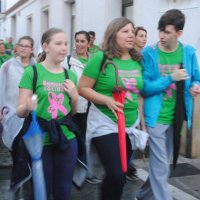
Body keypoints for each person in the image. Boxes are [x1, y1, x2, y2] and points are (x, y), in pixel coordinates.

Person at [135, 9, 200, 200]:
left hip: (177, 115)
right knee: (162, 166)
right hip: (155, 117)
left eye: (167, 32)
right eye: (160, 30)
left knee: (161, 166)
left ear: (179, 33)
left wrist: (195, 87)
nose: (161, 36)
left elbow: (196, 77)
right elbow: (145, 87)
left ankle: (143, 195)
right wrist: (170, 78)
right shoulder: (150, 53)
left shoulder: (188, 52)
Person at [79, 17, 145, 200]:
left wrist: (143, 122)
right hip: (105, 123)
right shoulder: (100, 58)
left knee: (121, 174)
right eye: (125, 31)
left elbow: (139, 91)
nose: (131, 35)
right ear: (113, 34)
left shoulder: (137, 59)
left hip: (130, 124)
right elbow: (82, 88)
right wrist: (106, 100)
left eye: (132, 31)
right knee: (116, 173)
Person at [17, 28, 79, 200]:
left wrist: (74, 97)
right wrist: (27, 106)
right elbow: (19, 111)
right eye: (58, 43)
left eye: (66, 44)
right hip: (40, 140)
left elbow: (72, 112)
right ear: (46, 46)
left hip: (66, 138)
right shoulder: (33, 72)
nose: (64, 48)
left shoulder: (70, 75)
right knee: (41, 191)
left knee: (64, 191)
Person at [0, 36, 36, 199]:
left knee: (27, 151)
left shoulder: (37, 67)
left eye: (27, 46)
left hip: (30, 116)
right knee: (16, 151)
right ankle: (18, 184)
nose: (23, 48)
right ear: (16, 47)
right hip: (11, 115)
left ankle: (23, 183)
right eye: (21, 45)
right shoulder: (7, 66)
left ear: (31, 49)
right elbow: (0, 87)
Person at [67, 30, 101, 184]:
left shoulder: (94, 61)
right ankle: (72, 170)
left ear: (89, 43)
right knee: (73, 138)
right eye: (77, 41)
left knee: (87, 139)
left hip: (91, 106)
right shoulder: (68, 60)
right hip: (72, 106)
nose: (79, 44)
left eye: (83, 41)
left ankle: (86, 172)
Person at [127, 26, 148, 181]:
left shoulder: (145, 57)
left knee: (134, 136)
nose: (144, 38)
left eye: (145, 36)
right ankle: (127, 165)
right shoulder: (130, 58)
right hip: (130, 99)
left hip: (141, 97)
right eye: (141, 35)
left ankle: (128, 165)